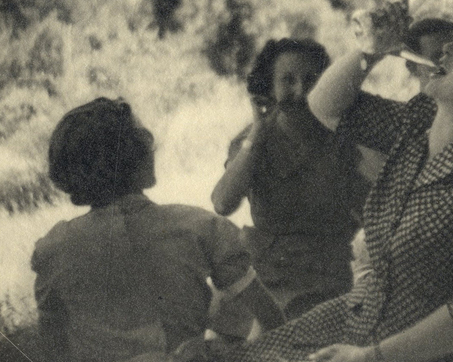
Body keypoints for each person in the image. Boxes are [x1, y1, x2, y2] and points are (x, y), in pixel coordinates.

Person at [215, 1, 453, 362]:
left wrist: (369, 357)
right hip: (364, 321)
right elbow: (324, 105)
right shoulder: (416, 128)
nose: (452, 47)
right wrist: (370, 52)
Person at [31, 98, 283, 362]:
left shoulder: (53, 249)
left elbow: (54, 349)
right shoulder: (199, 227)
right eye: (143, 138)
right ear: (136, 155)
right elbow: (272, 320)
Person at [212, 38, 369, 320]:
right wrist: (257, 135)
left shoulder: (346, 136)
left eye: (311, 80)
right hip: (265, 276)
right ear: (269, 86)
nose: (300, 91)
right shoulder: (253, 139)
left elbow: (373, 210)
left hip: (328, 277)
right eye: (288, 80)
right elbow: (222, 203)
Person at [350, 16, 453, 284]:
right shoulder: (406, 120)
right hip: (407, 264)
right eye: (437, 57)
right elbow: (325, 106)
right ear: (413, 67)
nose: (450, 64)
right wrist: (371, 51)